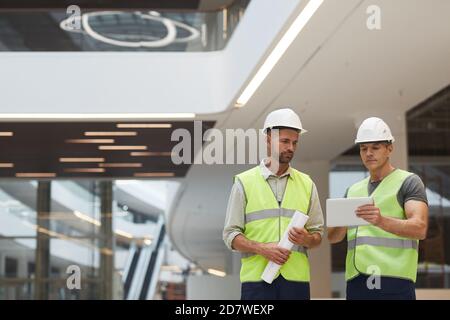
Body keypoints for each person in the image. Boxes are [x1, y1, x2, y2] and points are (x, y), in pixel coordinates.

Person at [223, 108, 324, 300]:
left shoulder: (307, 184)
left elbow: (318, 234)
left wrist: (307, 239)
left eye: (295, 142)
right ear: (268, 139)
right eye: (285, 141)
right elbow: (230, 236)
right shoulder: (244, 182)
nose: (291, 148)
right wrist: (261, 248)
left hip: (296, 282)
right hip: (256, 282)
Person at [328, 117, 429, 300]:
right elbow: (334, 238)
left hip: (394, 280)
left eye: (375, 147)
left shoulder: (408, 182)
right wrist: (337, 222)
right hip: (357, 281)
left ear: (389, 148)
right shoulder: (352, 190)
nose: (368, 153)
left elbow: (420, 228)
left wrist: (381, 221)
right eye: (363, 148)